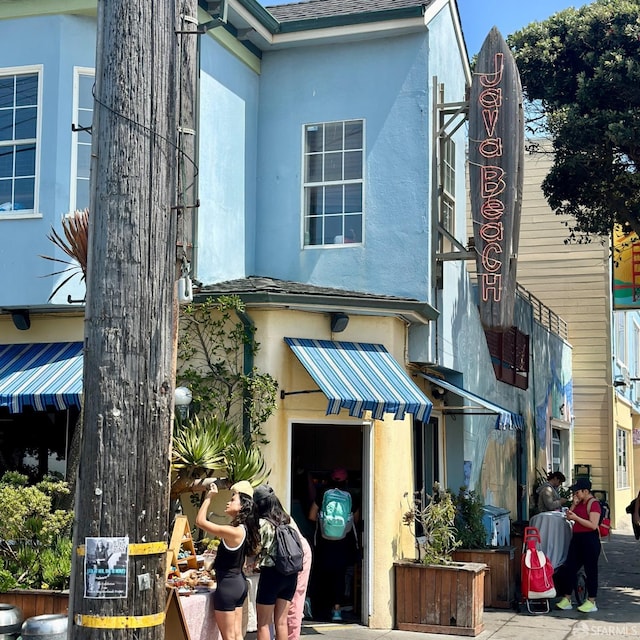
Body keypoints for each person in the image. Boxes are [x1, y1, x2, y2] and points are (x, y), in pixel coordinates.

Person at [195, 480, 260, 640]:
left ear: (242, 506)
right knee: (237, 636)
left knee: (229, 637)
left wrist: (209, 497)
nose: (228, 502)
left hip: (228, 586)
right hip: (238, 583)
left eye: (233, 499)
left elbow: (200, 522)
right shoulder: (244, 529)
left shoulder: (235, 531)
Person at [253, 484, 312, 640]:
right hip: (290, 574)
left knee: (263, 623)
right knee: (281, 622)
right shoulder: (286, 519)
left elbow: (257, 550)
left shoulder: (262, 524)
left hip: (271, 574)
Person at [308, 467, 358, 622]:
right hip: (343, 543)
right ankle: (336, 610)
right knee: (339, 575)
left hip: (323, 543)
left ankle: (318, 607)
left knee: (321, 573)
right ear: (346, 480)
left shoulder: (323, 493)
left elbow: (311, 516)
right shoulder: (352, 496)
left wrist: (325, 524)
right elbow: (356, 520)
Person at [555, 478, 601, 613]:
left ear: (585, 491)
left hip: (589, 539)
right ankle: (567, 598)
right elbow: (569, 516)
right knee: (569, 567)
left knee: (590, 570)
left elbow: (593, 525)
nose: (575, 495)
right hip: (577, 539)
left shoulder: (594, 504)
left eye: (577, 492)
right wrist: (574, 505)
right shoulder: (579, 502)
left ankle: (592, 601)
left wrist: (577, 518)